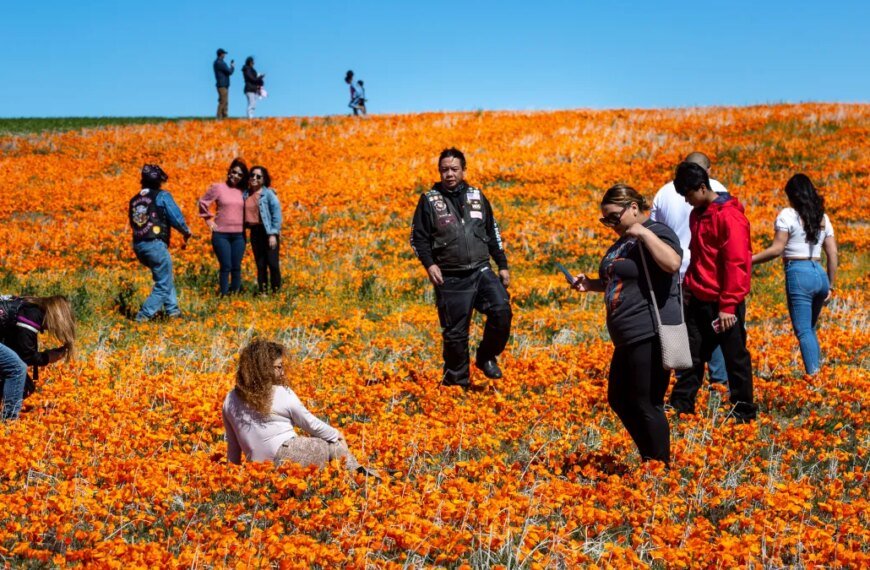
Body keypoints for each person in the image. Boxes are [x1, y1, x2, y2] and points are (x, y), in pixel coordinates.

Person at [567, 184, 682, 464]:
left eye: (614, 217)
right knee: (619, 398)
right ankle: (651, 459)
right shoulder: (622, 242)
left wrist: (643, 232)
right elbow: (619, 280)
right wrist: (591, 285)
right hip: (626, 333)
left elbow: (672, 263)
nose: (610, 225)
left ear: (633, 208)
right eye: (605, 220)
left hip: (649, 328)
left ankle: (659, 467)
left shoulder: (656, 232)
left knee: (646, 402)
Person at [410, 148, 512, 389]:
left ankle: (486, 356)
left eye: (454, 169)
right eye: (444, 169)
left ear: (464, 171)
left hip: (481, 269)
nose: (449, 174)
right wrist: (430, 264)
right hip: (450, 275)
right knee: (455, 335)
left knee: (501, 310)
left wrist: (503, 265)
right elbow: (418, 238)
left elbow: (492, 232)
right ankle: (456, 386)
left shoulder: (477, 196)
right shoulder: (429, 200)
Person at [668, 162, 757, 422]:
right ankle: (681, 406)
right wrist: (688, 286)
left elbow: (736, 262)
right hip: (698, 296)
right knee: (692, 357)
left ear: (703, 187)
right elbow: (698, 256)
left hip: (722, 301)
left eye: (688, 195)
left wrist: (728, 305)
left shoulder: (729, 216)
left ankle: (743, 412)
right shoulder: (698, 214)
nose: (686, 201)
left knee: (735, 358)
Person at [222, 340, 376, 477]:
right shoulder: (280, 392)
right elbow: (311, 424)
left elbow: (233, 446)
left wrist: (233, 477)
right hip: (287, 454)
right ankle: (364, 477)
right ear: (263, 368)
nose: (282, 372)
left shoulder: (230, 399)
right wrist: (337, 434)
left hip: (258, 469)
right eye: (278, 367)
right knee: (332, 446)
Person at [650, 152, 729, 386]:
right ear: (707, 170)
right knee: (714, 330)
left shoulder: (664, 192)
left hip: (674, 271)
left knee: (684, 331)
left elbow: (655, 232)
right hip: (709, 272)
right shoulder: (717, 188)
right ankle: (719, 383)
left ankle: (685, 383)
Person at [752, 174, 838, 375]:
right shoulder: (822, 217)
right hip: (820, 274)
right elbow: (832, 253)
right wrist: (831, 284)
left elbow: (776, 249)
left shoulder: (788, 215)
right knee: (810, 327)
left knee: (803, 330)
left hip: (799, 273)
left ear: (792, 196)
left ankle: (814, 378)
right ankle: (818, 374)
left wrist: (749, 260)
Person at [129, 164, 192, 321]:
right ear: (159, 181)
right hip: (155, 244)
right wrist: (186, 231)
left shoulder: (134, 199)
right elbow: (175, 217)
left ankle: (173, 312)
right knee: (163, 284)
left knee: (165, 276)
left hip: (139, 246)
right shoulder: (162, 196)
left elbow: (133, 222)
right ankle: (142, 317)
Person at [1, 295, 76, 420]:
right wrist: (48, 357)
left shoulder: (29, 309)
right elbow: (26, 355)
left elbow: (18, 352)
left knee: (25, 385)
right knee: (17, 368)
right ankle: (8, 422)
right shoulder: (32, 314)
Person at [199, 159, 248, 295]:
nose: (236, 176)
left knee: (236, 267)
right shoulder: (218, 188)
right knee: (226, 266)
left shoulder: (243, 191)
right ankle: (224, 295)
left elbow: (258, 196)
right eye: (234, 172)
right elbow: (203, 202)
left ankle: (235, 295)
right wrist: (208, 220)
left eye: (240, 174)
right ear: (229, 172)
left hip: (239, 235)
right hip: (221, 235)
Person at [244, 166, 283, 293]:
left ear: (264, 179)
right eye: (252, 175)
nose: (254, 178)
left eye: (258, 176)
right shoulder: (245, 194)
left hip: (268, 231)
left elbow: (276, 215)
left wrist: (272, 234)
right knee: (260, 265)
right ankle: (263, 292)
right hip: (255, 232)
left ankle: (276, 293)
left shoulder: (269, 194)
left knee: (273, 264)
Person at [214, 49, 235, 119]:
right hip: (222, 85)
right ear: (221, 54)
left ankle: (224, 117)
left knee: (225, 102)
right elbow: (229, 72)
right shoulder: (220, 63)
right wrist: (232, 66)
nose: (225, 55)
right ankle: (219, 117)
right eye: (224, 54)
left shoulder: (217, 62)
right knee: (223, 102)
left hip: (222, 84)